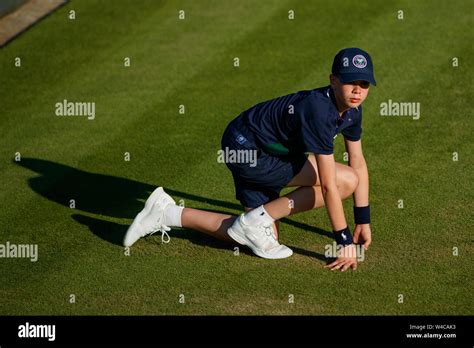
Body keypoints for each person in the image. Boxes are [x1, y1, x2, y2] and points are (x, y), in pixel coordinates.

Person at [124, 47, 375, 272]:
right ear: (333, 81)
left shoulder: (352, 111)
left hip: (269, 150)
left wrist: (363, 220)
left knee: (258, 239)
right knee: (345, 180)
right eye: (350, 82)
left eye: (364, 84)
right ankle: (258, 218)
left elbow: (358, 159)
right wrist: (344, 241)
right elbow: (330, 184)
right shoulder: (319, 111)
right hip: (247, 149)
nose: (357, 90)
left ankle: (168, 213)